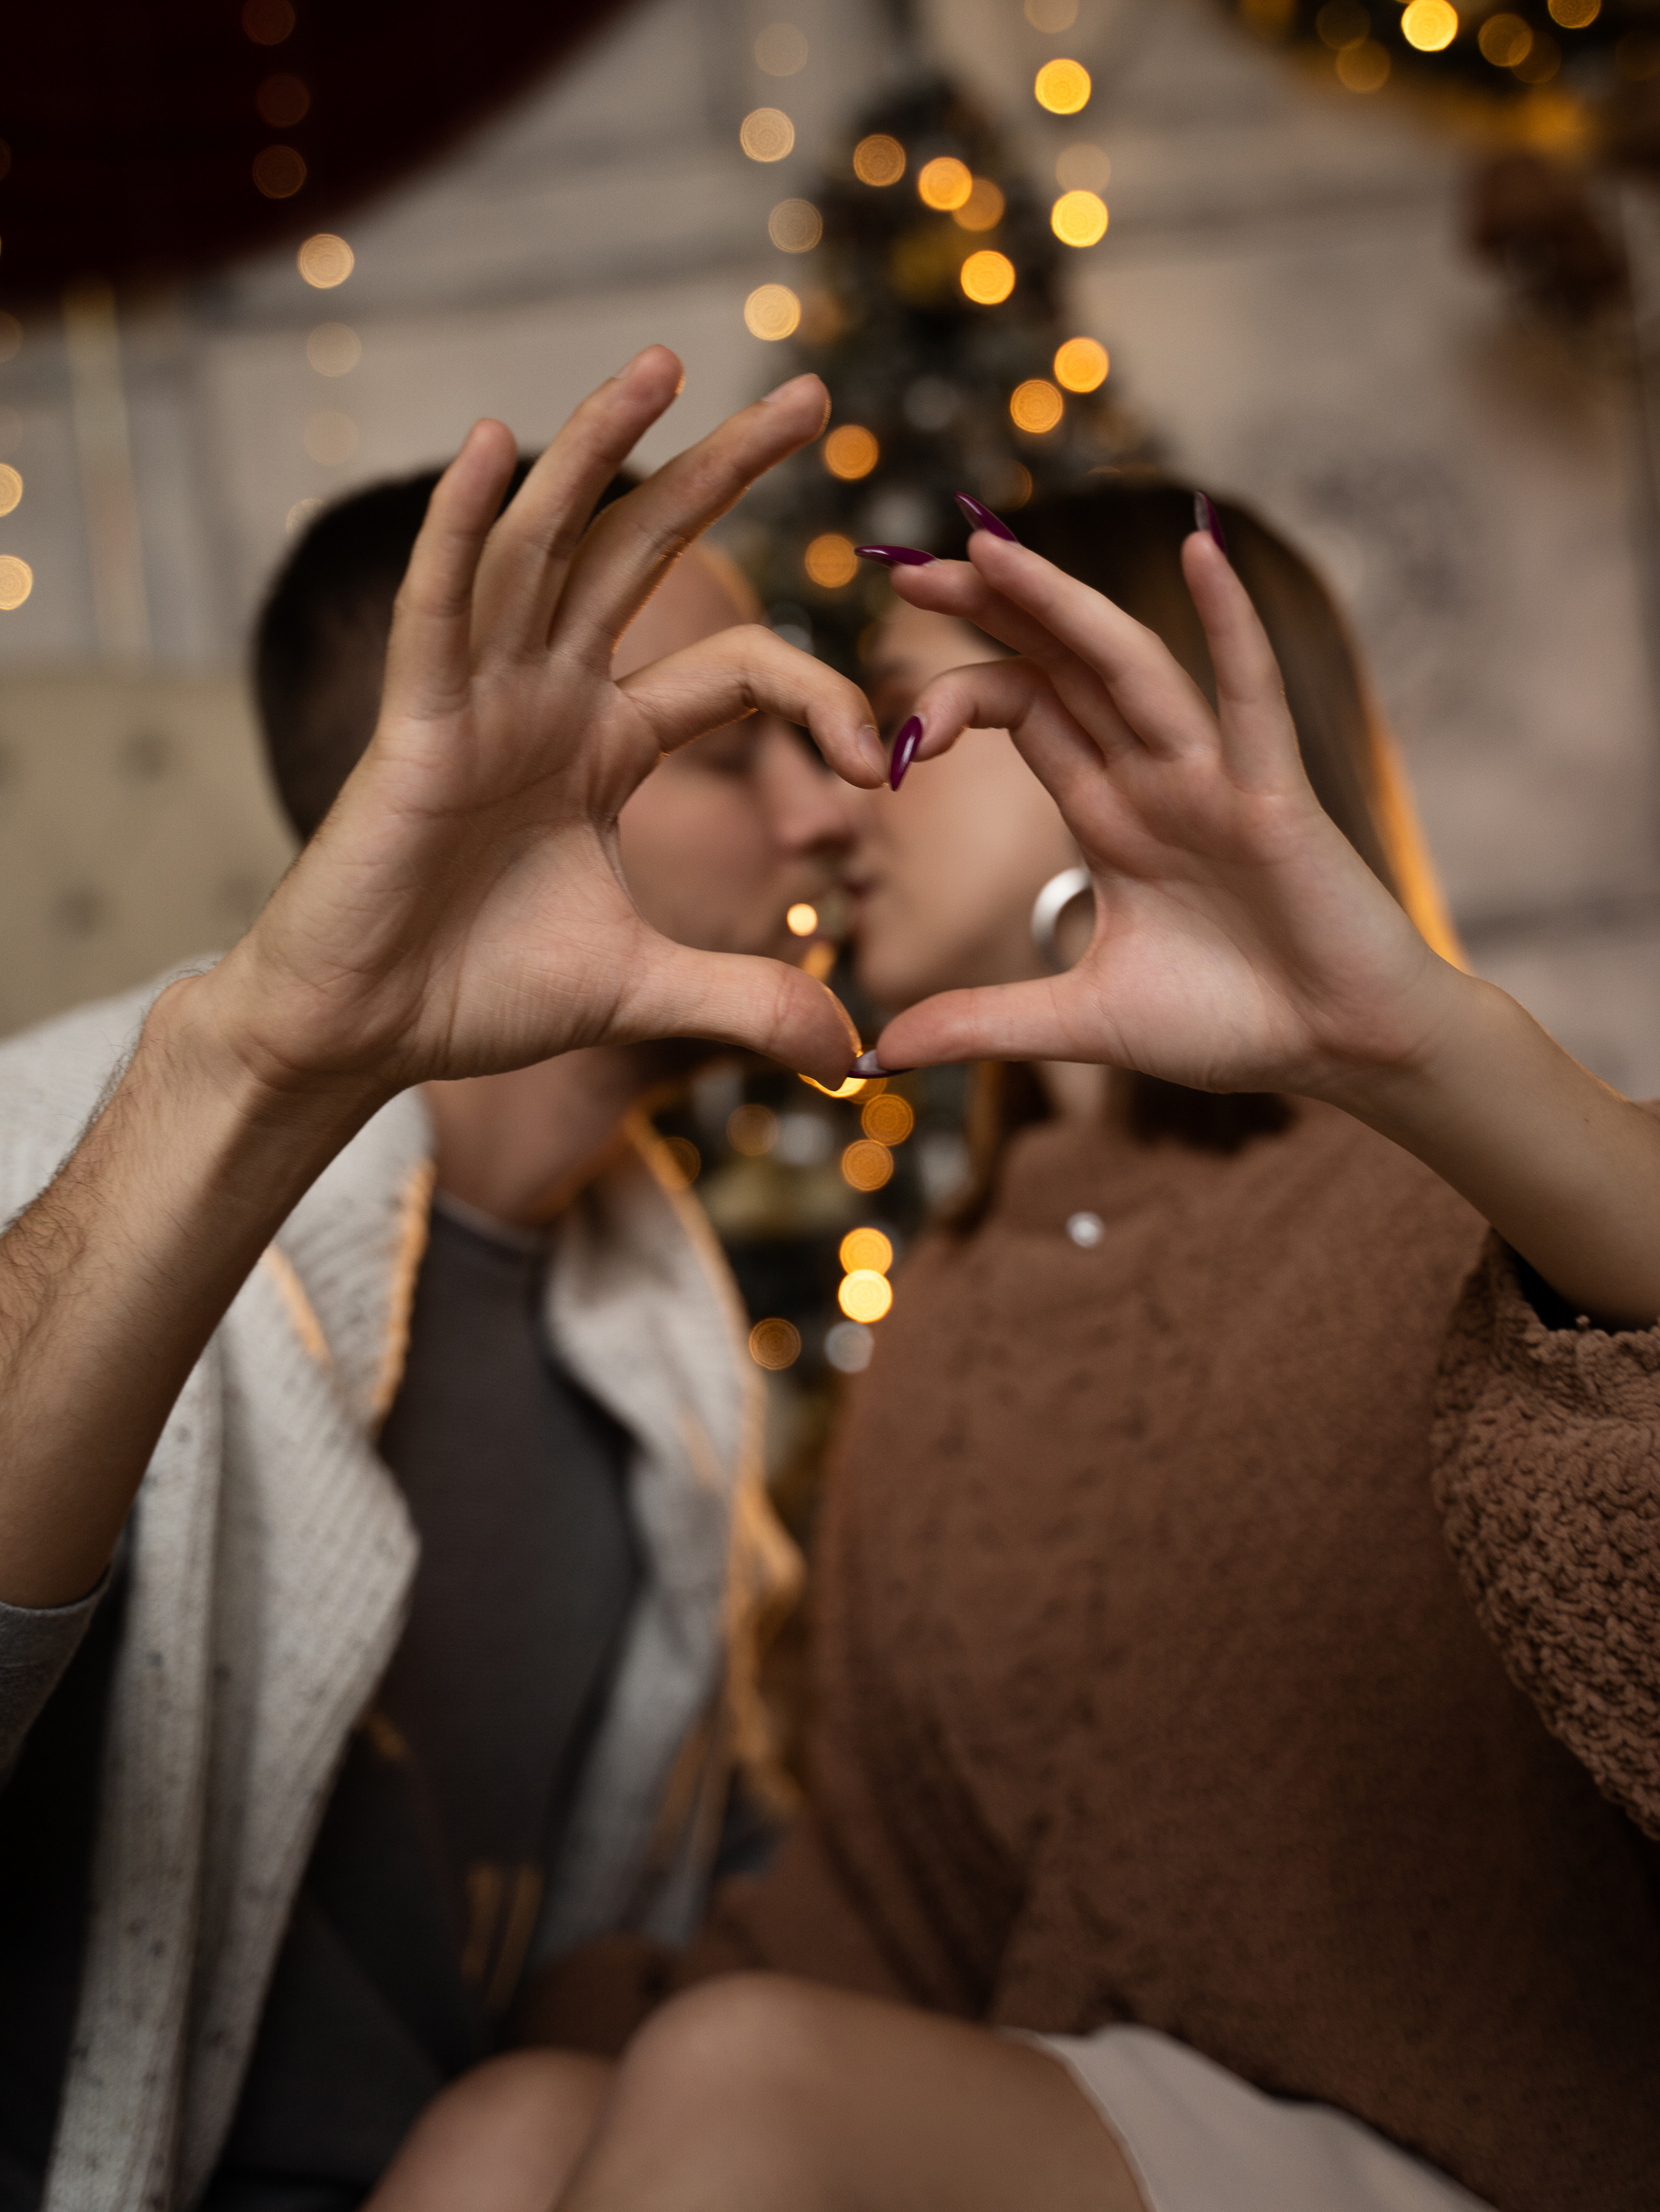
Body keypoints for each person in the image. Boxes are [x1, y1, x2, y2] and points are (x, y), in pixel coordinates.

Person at [401, 479, 1660, 2212]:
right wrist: (599, 1986)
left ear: (1105, 730)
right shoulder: (961, 1307)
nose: (839, 805)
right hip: (1096, 2121)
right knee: (505, 2129)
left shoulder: (1458, 1208)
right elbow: (900, 1898)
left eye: (913, 719)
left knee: (746, 2082)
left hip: (1493, 2153)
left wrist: (1427, 1061)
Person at [0, 353, 888, 2212]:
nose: (837, 812)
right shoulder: (67, 1176)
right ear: (459, 779)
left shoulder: (658, 1325)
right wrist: (249, 1067)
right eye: (730, 750)